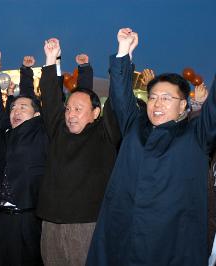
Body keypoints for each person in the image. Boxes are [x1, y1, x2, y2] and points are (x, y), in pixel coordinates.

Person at [87, 28, 216, 266]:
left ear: (183, 106)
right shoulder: (134, 126)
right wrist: (124, 50)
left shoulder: (195, 135)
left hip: (171, 249)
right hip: (122, 243)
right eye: (153, 97)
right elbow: (120, 93)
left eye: (167, 98)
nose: (157, 103)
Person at [36, 38, 121, 265]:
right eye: (69, 108)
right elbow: (51, 97)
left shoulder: (105, 132)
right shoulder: (59, 129)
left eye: (78, 109)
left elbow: (118, 101)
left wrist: (123, 55)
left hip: (87, 225)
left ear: (95, 112)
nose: (71, 114)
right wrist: (50, 59)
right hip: (51, 224)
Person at [0, 50, 47, 266]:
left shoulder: (41, 133)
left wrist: (29, 72)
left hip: (26, 217)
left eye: (23, 108)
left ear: (37, 115)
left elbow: (45, 98)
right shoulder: (4, 132)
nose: (16, 111)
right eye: (13, 107)